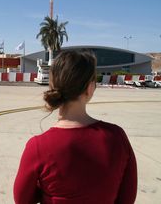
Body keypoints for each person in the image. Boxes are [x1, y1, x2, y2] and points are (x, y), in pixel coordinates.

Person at [14, 50, 137, 204]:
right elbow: (127, 197)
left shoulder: (37, 146)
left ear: (52, 85)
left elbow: (22, 200)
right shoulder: (117, 137)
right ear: (90, 88)